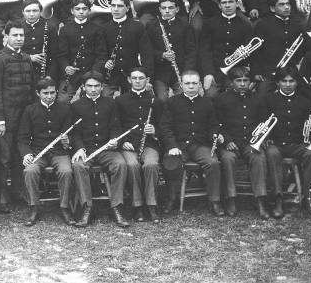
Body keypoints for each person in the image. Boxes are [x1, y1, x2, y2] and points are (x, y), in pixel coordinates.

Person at [158, 70, 224, 216]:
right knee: (170, 162)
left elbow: (213, 125)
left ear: (200, 84)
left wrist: (215, 135)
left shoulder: (207, 103)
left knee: (212, 163)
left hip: (200, 145)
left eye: (194, 83)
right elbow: (165, 127)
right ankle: (171, 198)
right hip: (179, 146)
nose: (191, 86)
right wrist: (172, 146)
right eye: (187, 83)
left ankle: (215, 201)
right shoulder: (172, 102)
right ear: (181, 85)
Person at [70, 71, 131, 228]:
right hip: (86, 149)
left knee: (120, 164)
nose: (93, 89)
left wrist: (114, 140)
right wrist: (79, 148)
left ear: (102, 87)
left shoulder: (111, 103)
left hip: (107, 149)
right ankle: (87, 207)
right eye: (89, 86)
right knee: (78, 165)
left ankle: (117, 206)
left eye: (97, 86)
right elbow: (74, 132)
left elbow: (116, 126)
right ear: (83, 87)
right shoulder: (75, 106)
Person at [259, 66, 311, 218]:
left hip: (297, 144)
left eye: (291, 81)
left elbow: (310, 123)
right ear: (278, 83)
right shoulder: (268, 100)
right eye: (284, 81)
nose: (287, 84)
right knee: (273, 154)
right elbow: (261, 122)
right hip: (276, 144)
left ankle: (308, 199)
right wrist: (266, 139)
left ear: (297, 83)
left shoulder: (305, 102)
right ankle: (278, 200)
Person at [0, 21, 34, 211]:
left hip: (24, 116)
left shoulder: (26, 58)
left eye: (21, 35)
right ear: (6, 36)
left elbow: (30, 89)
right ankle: (2, 196)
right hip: (6, 117)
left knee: (18, 154)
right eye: (14, 35)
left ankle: (17, 191)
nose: (18, 39)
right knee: (4, 157)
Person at [214, 66, 270, 219]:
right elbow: (217, 124)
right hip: (230, 143)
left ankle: (260, 200)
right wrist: (227, 141)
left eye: (246, 80)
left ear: (250, 82)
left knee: (259, 158)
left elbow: (264, 122)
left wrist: (259, 140)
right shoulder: (221, 99)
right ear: (231, 82)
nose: (243, 84)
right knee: (227, 159)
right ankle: (231, 199)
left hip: (250, 143)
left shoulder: (258, 99)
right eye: (238, 81)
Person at [18, 78, 75, 226]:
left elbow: (71, 136)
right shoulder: (30, 110)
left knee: (66, 171)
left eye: (52, 93)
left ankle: (64, 207)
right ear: (38, 93)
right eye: (45, 93)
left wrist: (67, 141)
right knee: (30, 171)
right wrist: (26, 153)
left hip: (59, 152)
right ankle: (34, 206)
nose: (49, 96)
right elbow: (22, 137)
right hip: (38, 151)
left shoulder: (65, 109)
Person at [115, 67, 164, 223]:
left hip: (149, 143)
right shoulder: (120, 100)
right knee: (132, 165)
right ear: (129, 80)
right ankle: (137, 206)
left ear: (147, 80)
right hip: (129, 144)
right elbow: (115, 126)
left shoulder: (156, 101)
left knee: (151, 164)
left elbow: (166, 125)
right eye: (134, 78)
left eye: (141, 78)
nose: (137, 81)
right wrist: (123, 142)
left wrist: (155, 131)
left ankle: (151, 205)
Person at [198, 0, 253, 97]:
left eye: (230, 2)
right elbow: (205, 51)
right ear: (219, 5)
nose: (227, 5)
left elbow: (250, 50)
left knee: (233, 97)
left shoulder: (245, 24)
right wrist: (208, 73)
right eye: (224, 3)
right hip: (214, 70)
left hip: (236, 71)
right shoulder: (210, 23)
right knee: (210, 96)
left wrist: (245, 55)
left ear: (237, 4)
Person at [252, 0, 309, 94]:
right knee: (262, 96)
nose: (286, 7)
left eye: (288, 4)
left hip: (292, 71)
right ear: (273, 8)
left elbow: (304, 48)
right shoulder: (263, 25)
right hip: (269, 72)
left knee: (305, 95)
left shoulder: (298, 24)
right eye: (281, 4)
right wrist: (256, 72)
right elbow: (256, 51)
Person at [101, 0, 153, 97]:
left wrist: (147, 77)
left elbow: (146, 54)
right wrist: (105, 62)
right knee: (105, 103)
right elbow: (100, 52)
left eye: (120, 6)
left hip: (132, 74)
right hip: (110, 76)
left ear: (128, 8)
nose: (116, 9)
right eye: (113, 6)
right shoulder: (104, 28)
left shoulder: (137, 26)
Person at [56, 0, 107, 103]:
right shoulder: (65, 29)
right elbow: (61, 54)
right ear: (72, 11)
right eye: (77, 9)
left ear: (89, 11)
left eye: (84, 9)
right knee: (62, 100)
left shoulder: (97, 29)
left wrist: (94, 74)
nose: (81, 11)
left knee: (94, 101)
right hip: (71, 76)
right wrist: (66, 67)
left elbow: (101, 55)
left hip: (92, 73)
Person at [145, 0, 196, 100]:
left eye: (170, 8)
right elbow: (147, 51)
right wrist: (162, 55)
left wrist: (186, 74)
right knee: (161, 100)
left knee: (183, 100)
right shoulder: (151, 25)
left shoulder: (185, 25)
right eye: (163, 8)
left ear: (177, 9)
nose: (167, 11)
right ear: (159, 9)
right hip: (160, 73)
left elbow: (191, 52)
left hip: (180, 71)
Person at [21, 0, 60, 83]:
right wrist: (29, 57)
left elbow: (55, 55)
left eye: (35, 11)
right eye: (28, 11)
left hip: (45, 72)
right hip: (21, 72)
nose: (31, 14)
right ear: (22, 12)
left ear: (41, 12)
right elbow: (10, 52)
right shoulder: (17, 27)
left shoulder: (50, 27)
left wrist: (50, 76)